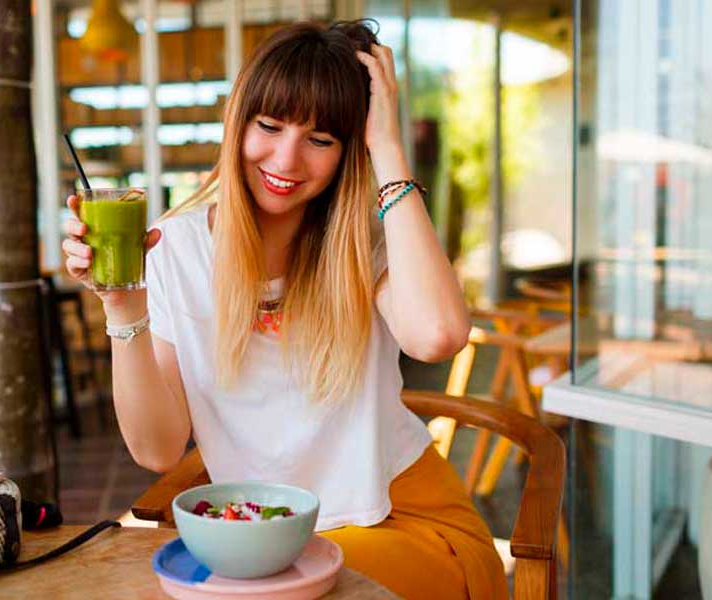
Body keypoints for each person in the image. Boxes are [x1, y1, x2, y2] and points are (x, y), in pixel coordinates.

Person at [62, 20, 507, 600]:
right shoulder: (175, 248)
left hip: (402, 520)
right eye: (269, 126)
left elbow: (439, 336)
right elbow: (157, 450)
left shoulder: (364, 246)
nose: (287, 158)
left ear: (349, 149)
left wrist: (389, 149)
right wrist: (121, 302)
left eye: (321, 139)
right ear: (238, 123)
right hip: (261, 540)